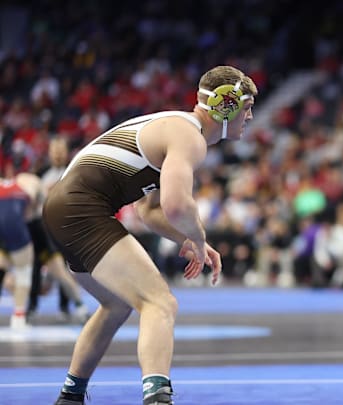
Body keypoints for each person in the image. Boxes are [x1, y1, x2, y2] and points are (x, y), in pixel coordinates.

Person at [43, 65, 258, 405]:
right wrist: (199, 239)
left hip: (63, 208)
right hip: (81, 208)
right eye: (246, 107)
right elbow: (176, 206)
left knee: (116, 305)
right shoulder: (189, 136)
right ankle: (158, 399)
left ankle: (70, 397)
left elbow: (150, 210)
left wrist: (187, 241)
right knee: (160, 303)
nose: (249, 116)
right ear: (225, 106)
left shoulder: (176, 129)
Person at [27, 137, 90, 324]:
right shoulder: (40, 173)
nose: (58, 154)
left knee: (66, 266)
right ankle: (31, 307)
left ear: (66, 152)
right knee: (35, 267)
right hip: (41, 227)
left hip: (66, 225)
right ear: (49, 152)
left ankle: (65, 307)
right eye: (54, 150)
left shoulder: (75, 171)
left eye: (61, 150)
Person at [0, 171, 41, 329]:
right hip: (15, 222)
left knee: (3, 266)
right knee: (23, 270)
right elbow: (32, 216)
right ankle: (18, 318)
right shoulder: (32, 182)